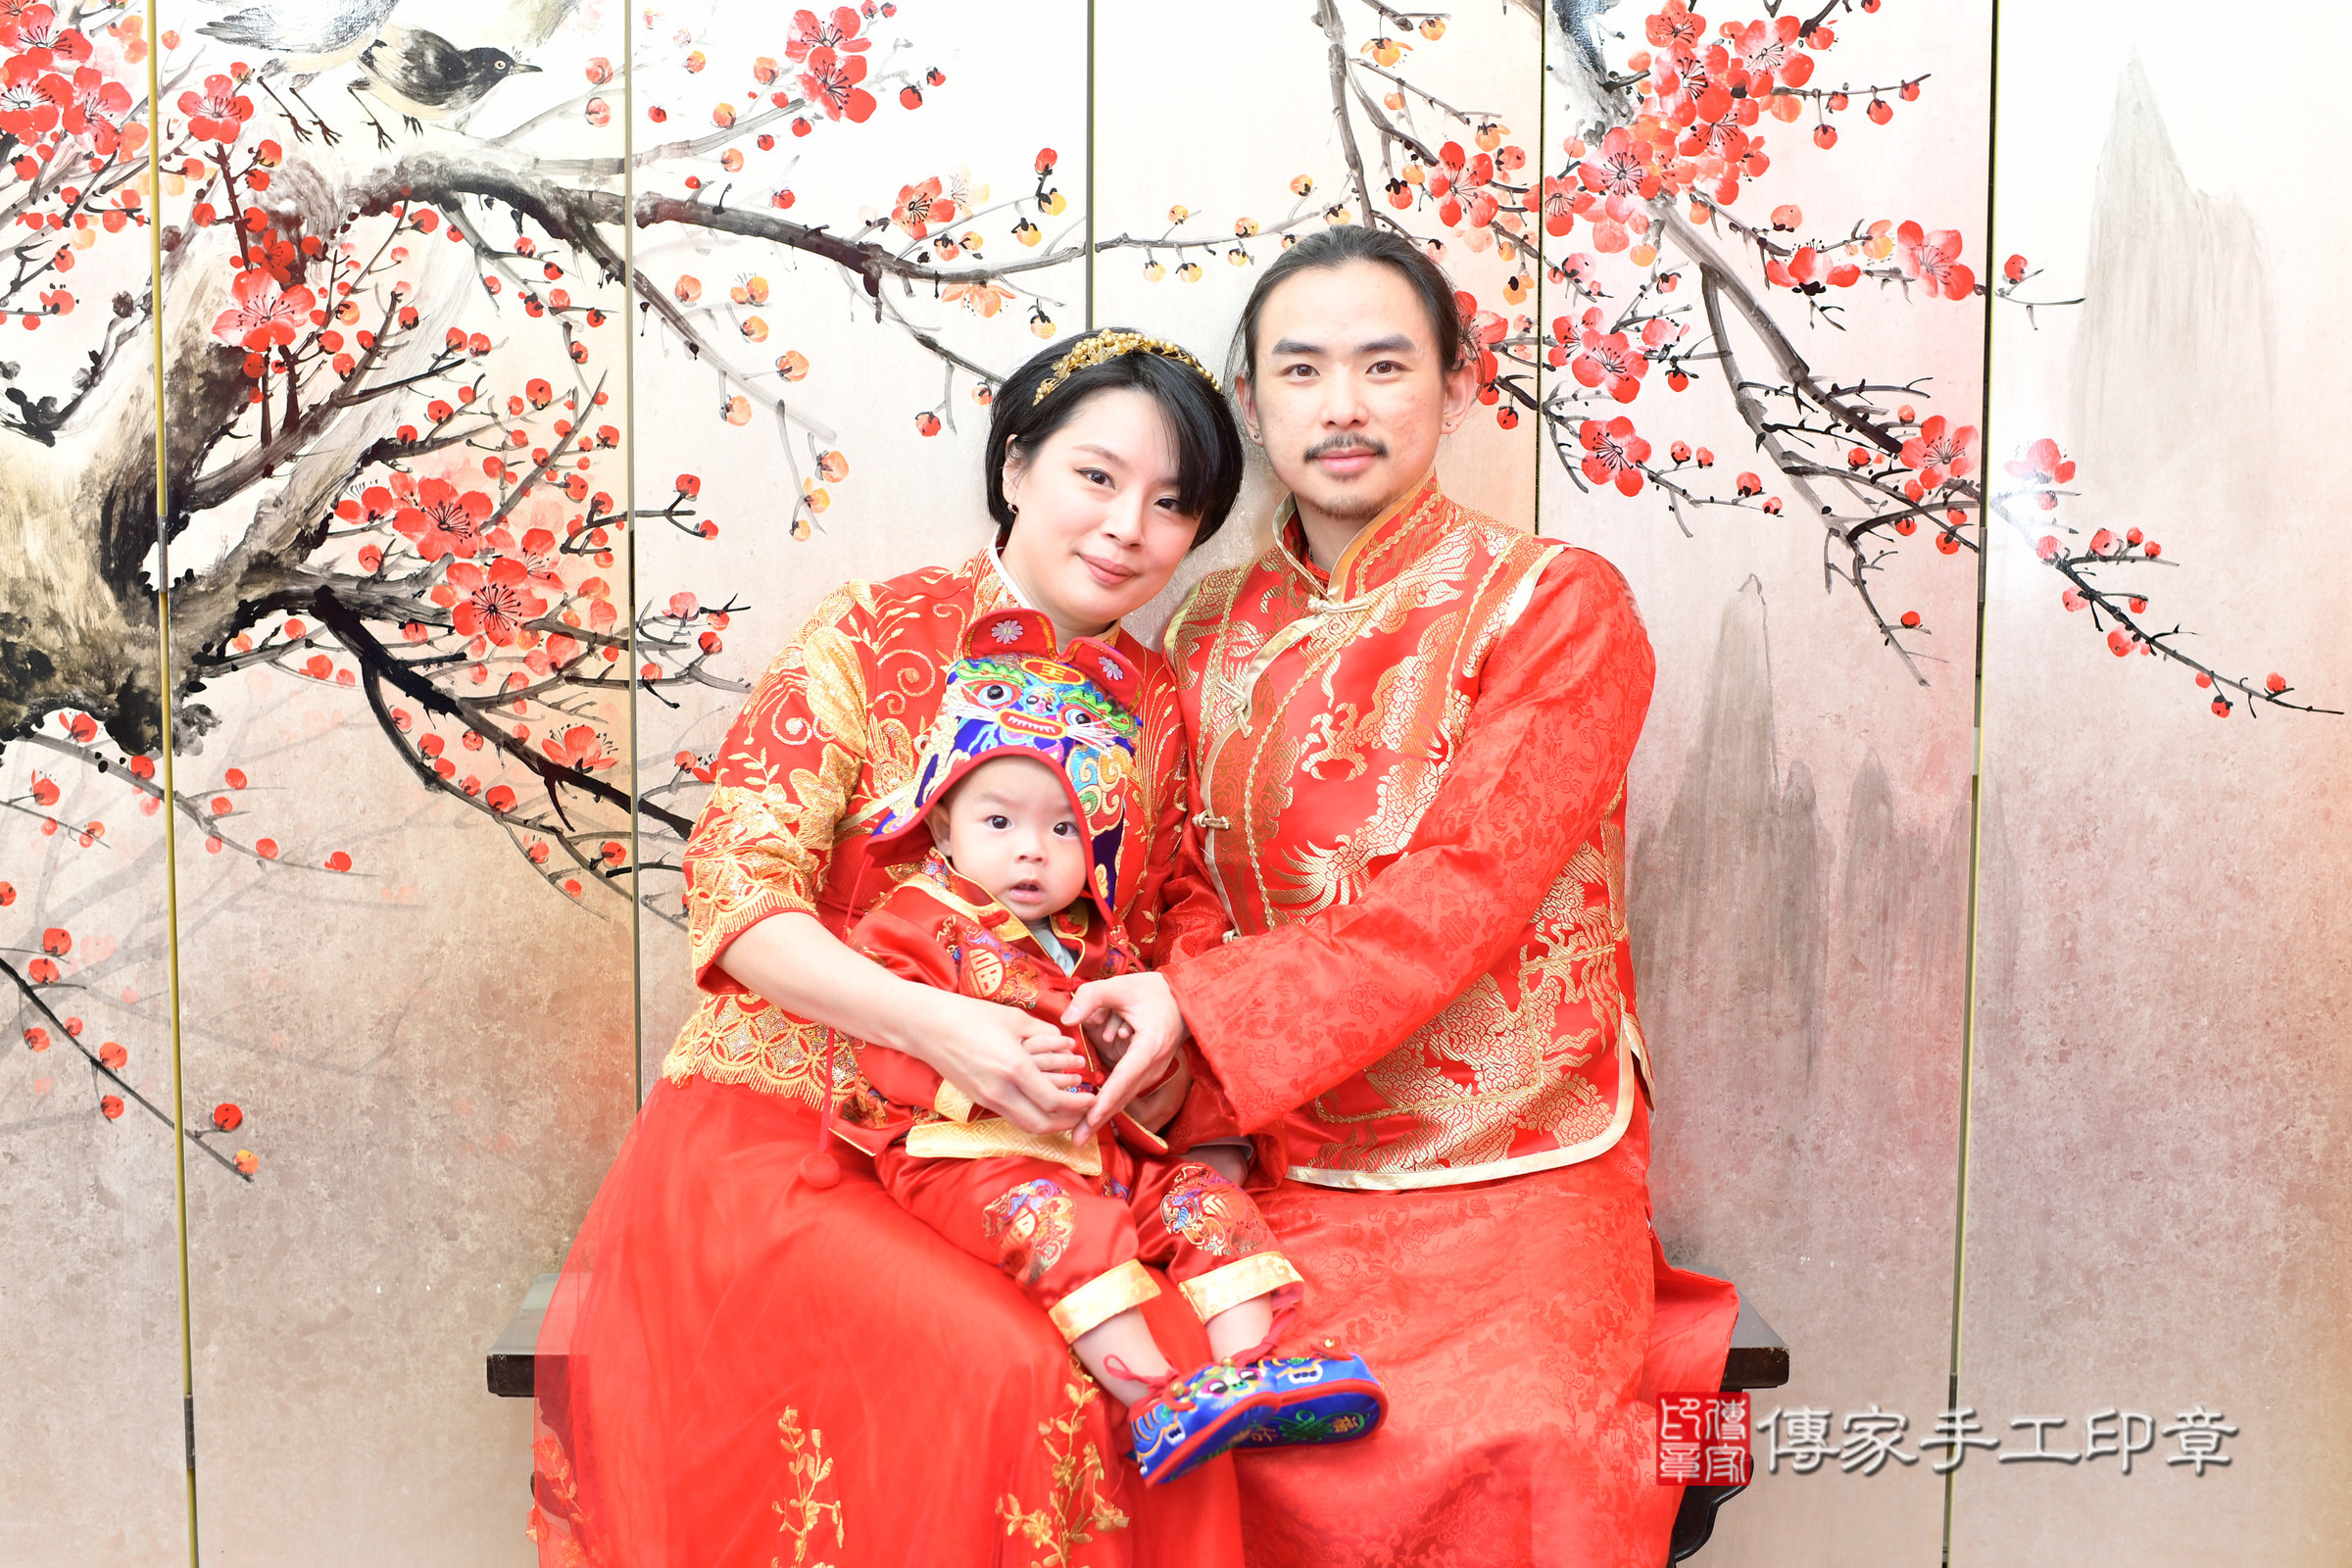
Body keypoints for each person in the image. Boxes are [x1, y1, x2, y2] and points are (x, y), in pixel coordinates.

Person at [1065, 227, 1742, 1567]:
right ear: (1251, 401)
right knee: (1160, 1424)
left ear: (1456, 384)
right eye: (1301, 370)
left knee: (1532, 1442)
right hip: (1271, 1161)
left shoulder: (1555, 604)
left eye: (1384, 366)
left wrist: (1201, 1013)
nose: (1343, 405)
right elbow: (1177, 880)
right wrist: (1181, 1048)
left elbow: (1470, 883)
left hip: (1516, 1159)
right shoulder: (1196, 630)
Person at [530, 329, 1257, 1568]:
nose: (1127, 526)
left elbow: (1170, 924)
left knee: (1178, 1365)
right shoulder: (874, 633)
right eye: (1096, 476)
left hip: (1031, 1153)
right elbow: (737, 893)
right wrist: (938, 1023)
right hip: (796, 1131)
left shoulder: (1158, 700)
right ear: (1016, 466)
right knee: (1018, 1369)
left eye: (1172, 503)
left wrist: (1166, 1030)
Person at [834, 608, 1386, 1484]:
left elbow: (1145, 1081)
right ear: (941, 827)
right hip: (969, 1155)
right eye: (999, 824)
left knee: (1204, 1198)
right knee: (1067, 1228)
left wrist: (1138, 1056)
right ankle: (1152, 1398)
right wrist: (968, 1073)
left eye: (1063, 830)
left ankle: (1249, 1377)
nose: (1032, 853)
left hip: (1104, 1150)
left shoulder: (1099, 941)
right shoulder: (910, 924)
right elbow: (876, 1044)